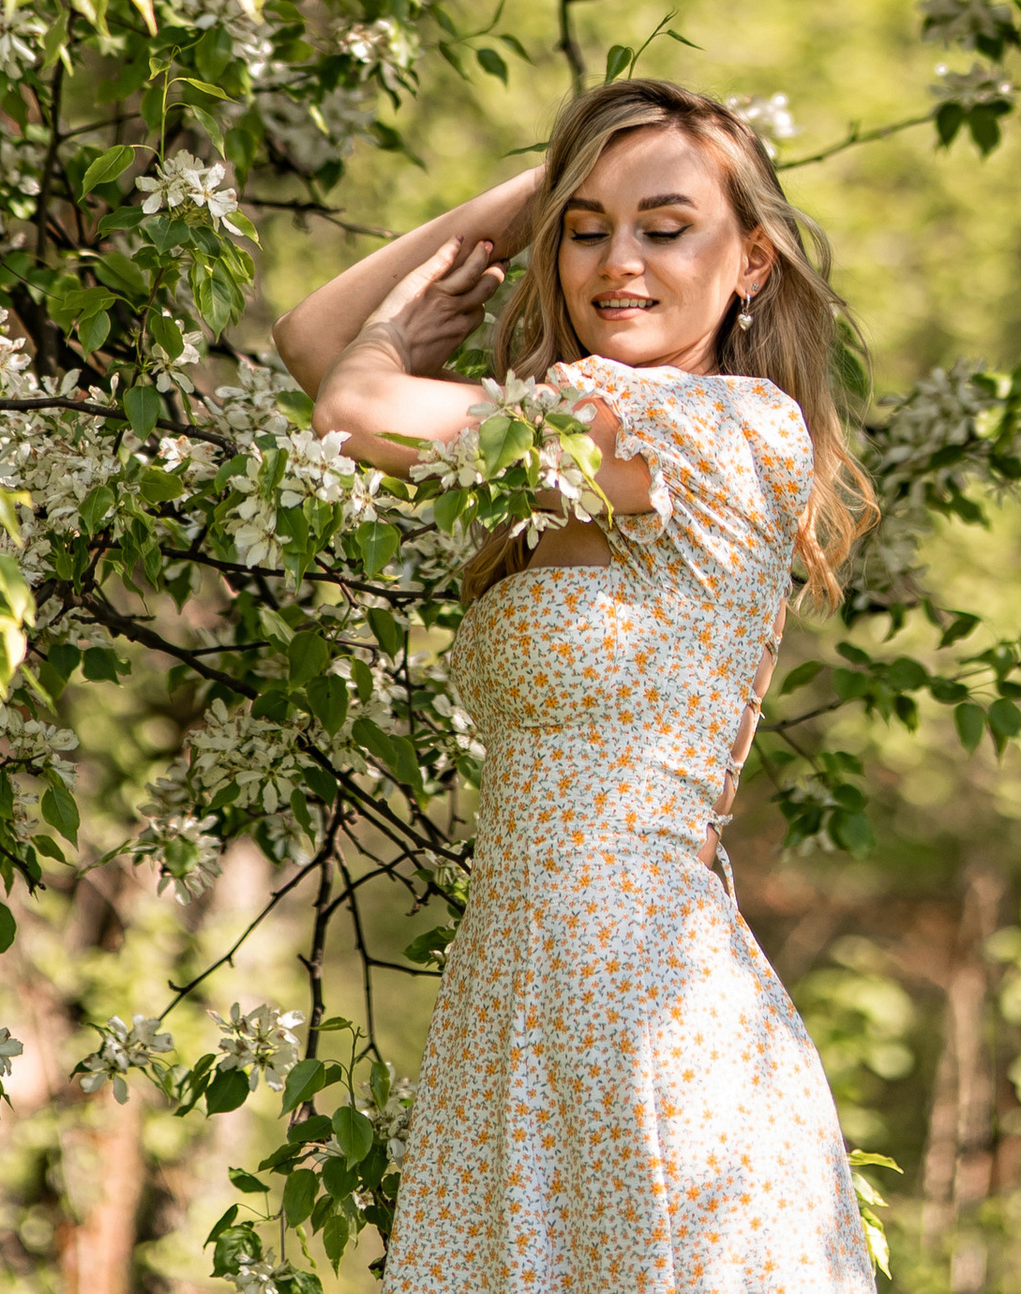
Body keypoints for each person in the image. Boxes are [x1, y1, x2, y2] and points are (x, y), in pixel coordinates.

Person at [273, 73, 880, 1294]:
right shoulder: (560, 441)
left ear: (751, 263)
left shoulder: (717, 433)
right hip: (522, 994)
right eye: (587, 232)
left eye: (666, 228)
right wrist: (554, 178)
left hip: (642, 1000)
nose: (619, 264)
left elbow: (349, 394)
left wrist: (402, 338)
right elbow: (308, 337)